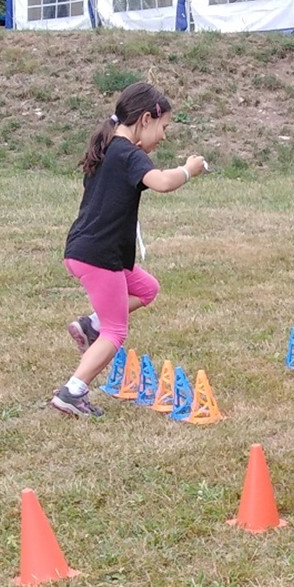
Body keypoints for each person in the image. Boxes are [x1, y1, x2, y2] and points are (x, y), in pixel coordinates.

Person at [51, 81, 208, 417]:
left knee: (147, 288)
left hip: (88, 250)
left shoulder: (109, 148)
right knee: (116, 331)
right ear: (145, 119)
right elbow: (162, 182)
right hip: (99, 256)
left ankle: (91, 324)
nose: (163, 137)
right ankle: (72, 392)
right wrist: (188, 170)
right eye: (164, 127)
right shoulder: (126, 153)